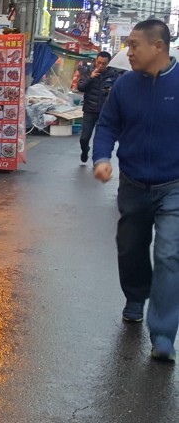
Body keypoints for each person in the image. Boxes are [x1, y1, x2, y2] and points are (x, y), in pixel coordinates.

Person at [93, 19, 179, 362]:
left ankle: (162, 333)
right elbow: (108, 124)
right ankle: (135, 296)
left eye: (134, 45)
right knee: (130, 247)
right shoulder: (125, 85)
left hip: (174, 186)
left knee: (170, 255)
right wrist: (101, 157)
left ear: (158, 47)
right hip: (132, 183)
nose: (128, 52)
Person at [75, 50, 120, 164]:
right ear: (95, 61)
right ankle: (85, 150)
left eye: (103, 63)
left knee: (99, 139)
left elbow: (119, 91)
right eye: (98, 62)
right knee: (84, 138)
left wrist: (111, 91)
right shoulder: (88, 72)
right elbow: (80, 87)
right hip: (89, 110)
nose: (100, 65)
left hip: (105, 111)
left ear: (108, 63)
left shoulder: (114, 74)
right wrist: (91, 77)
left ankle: (97, 161)